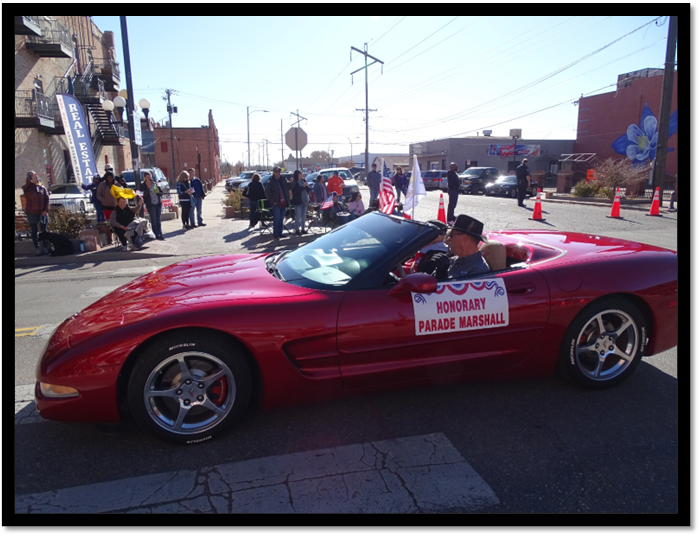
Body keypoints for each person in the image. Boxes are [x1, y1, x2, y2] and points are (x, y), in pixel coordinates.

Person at [444, 214, 491, 279]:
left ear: (464, 238)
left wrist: (442, 276)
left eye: (451, 235)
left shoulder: (478, 271)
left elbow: (457, 288)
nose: (448, 239)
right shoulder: (452, 260)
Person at [22, 171, 50, 256]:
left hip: (42, 212)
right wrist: (30, 181)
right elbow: (24, 188)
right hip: (31, 212)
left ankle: (45, 247)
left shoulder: (42, 187)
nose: (36, 177)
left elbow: (47, 199)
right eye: (33, 176)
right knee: (34, 231)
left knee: (44, 230)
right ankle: (37, 248)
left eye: (36, 176)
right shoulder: (27, 188)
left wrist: (45, 210)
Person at [265, 166, 291, 240]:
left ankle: (280, 233)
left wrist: (292, 182)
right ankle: (275, 234)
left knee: (281, 219)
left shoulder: (283, 179)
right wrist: (273, 201)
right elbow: (268, 193)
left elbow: (289, 187)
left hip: (284, 202)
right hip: (276, 203)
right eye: (276, 171)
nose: (278, 173)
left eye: (279, 171)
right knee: (277, 219)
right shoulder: (271, 181)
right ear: (273, 172)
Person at [142, 171, 164, 240]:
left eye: (150, 177)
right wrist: (147, 188)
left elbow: (160, 193)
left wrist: (158, 191)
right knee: (154, 220)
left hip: (157, 203)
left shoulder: (154, 183)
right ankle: (156, 234)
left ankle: (160, 233)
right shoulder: (143, 185)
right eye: (147, 177)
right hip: (151, 205)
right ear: (145, 177)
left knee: (158, 220)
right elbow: (143, 195)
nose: (149, 178)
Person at [291, 170, 311, 235]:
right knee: (298, 216)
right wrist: (303, 187)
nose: (301, 175)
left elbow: (308, 190)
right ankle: (297, 229)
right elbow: (296, 191)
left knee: (303, 216)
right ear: (297, 175)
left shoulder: (303, 180)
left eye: (301, 174)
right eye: (300, 174)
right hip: (298, 201)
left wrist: (306, 186)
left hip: (305, 201)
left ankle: (303, 229)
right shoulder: (295, 182)